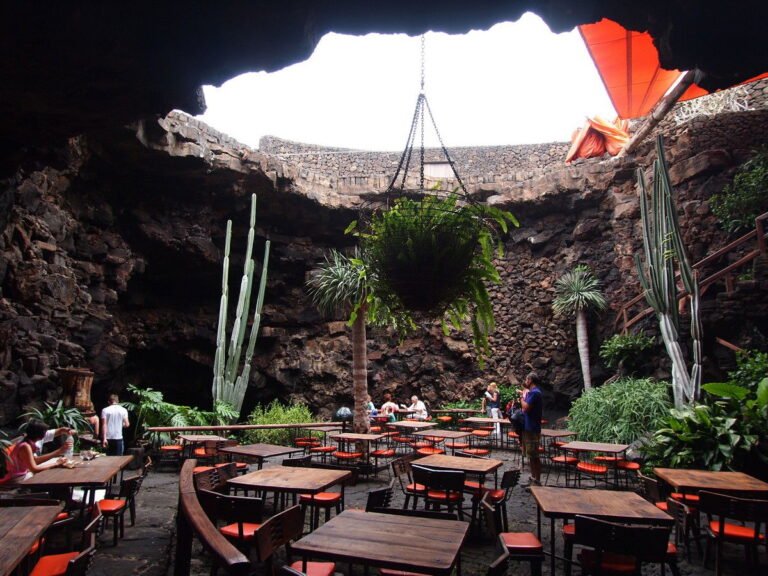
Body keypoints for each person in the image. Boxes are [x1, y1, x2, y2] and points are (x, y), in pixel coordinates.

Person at [0, 419, 68, 484]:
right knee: (51, 477)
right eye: (45, 432)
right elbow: (34, 469)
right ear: (40, 434)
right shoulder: (25, 446)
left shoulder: (27, 442)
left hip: (22, 475)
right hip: (16, 478)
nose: (46, 433)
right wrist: (56, 463)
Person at [520, 372, 543, 487]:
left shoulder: (535, 393)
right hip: (528, 427)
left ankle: (537, 481)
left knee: (534, 455)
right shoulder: (532, 393)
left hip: (532, 428)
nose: (525, 381)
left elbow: (525, 407)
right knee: (530, 455)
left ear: (530, 380)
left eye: (526, 379)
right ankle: (533, 478)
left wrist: (521, 398)